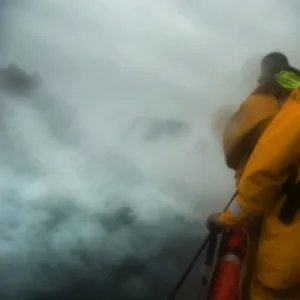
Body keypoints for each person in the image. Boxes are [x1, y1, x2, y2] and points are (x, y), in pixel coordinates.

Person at [208, 53, 300, 300]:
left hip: (287, 234)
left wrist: (228, 218)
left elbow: (263, 173)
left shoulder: (281, 109)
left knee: (268, 285)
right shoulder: (289, 102)